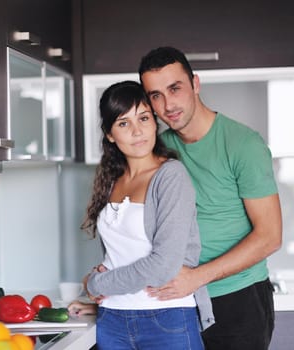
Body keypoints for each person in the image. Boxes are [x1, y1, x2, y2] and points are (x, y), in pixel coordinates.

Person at [137, 46, 282, 349]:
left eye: (174, 88)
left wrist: (198, 277)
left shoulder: (243, 144)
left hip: (238, 299)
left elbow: (270, 236)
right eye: (155, 96)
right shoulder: (157, 149)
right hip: (179, 300)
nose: (167, 105)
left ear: (195, 84)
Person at [69, 80, 214, 350]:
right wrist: (97, 293)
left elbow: (163, 266)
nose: (138, 131)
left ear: (154, 122)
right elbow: (121, 253)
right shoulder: (111, 179)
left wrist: (96, 283)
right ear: (110, 134)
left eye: (144, 118)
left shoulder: (171, 176)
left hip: (168, 320)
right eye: (124, 123)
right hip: (113, 320)